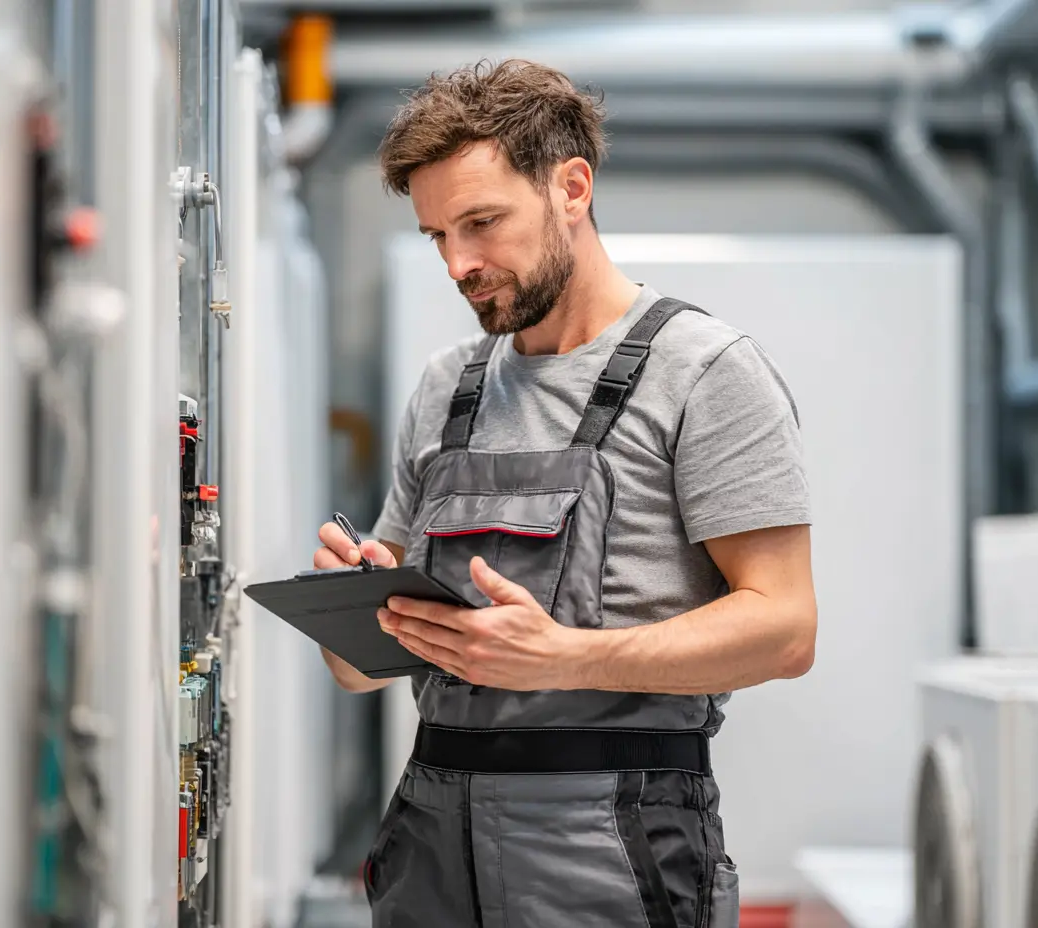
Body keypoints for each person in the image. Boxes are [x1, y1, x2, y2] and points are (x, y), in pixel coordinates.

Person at [313, 59, 817, 928]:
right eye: (438, 236)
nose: (459, 264)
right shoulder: (447, 388)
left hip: (614, 848)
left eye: (482, 222)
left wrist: (564, 657)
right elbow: (361, 673)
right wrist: (353, 602)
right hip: (431, 847)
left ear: (571, 187)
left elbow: (785, 629)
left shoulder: (704, 373)